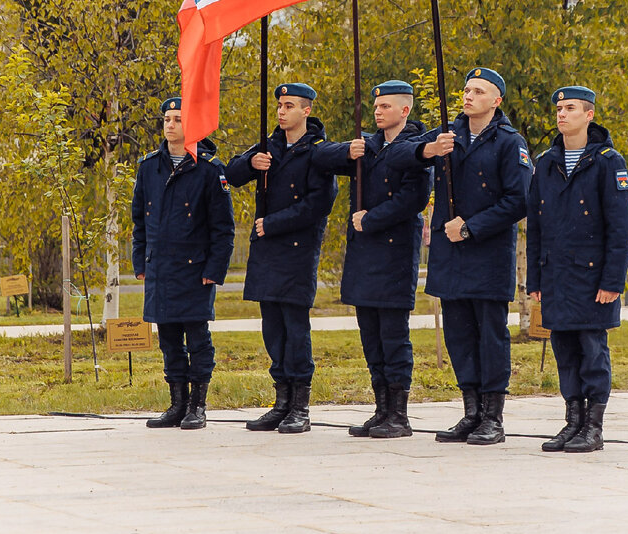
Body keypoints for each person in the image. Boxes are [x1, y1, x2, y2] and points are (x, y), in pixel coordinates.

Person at [392, 67, 532, 445]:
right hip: (450, 256)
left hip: (486, 253)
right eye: (467, 90)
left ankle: (493, 416)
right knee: (459, 336)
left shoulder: (508, 142)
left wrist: (470, 226)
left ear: (496, 100)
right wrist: (429, 149)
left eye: (478, 91)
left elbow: (519, 200)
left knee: (489, 335)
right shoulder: (447, 134)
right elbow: (398, 154)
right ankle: (470, 412)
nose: (469, 96)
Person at [312, 80, 433, 439]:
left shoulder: (417, 149)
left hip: (394, 252)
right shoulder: (368, 145)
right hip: (364, 255)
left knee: (393, 337)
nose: (378, 111)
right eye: (376, 106)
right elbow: (319, 158)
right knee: (371, 336)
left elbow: (414, 199)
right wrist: (347, 152)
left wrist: (371, 219)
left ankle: (399, 413)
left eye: (385, 107)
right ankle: (381, 410)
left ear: (405, 110)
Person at [526, 86, 628, 453]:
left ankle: (593, 426)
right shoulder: (546, 162)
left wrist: (612, 280)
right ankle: (572, 422)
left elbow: (620, 228)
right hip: (555, 275)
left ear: (588, 115)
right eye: (558, 108)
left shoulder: (607, 161)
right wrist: (534, 280)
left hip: (591, 278)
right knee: (564, 350)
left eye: (570, 108)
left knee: (592, 350)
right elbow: (536, 226)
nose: (561, 114)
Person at [227, 83, 338, 435]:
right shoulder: (269, 144)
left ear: (306, 111)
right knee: (272, 328)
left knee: (294, 328)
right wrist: (250, 162)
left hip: (296, 250)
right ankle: (281, 402)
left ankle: (300, 407)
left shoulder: (317, 152)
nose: (280, 111)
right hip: (267, 252)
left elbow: (318, 205)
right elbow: (230, 174)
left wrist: (272, 224)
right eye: (279, 104)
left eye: (288, 105)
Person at [132, 96, 236, 430]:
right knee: (168, 339)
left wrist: (214, 270)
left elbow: (223, 228)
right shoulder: (149, 166)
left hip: (195, 270)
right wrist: (141, 261)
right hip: (160, 268)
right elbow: (139, 220)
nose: (170, 124)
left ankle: (197, 406)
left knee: (198, 340)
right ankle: (176, 404)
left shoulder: (209, 169)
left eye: (178, 118)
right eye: (167, 119)